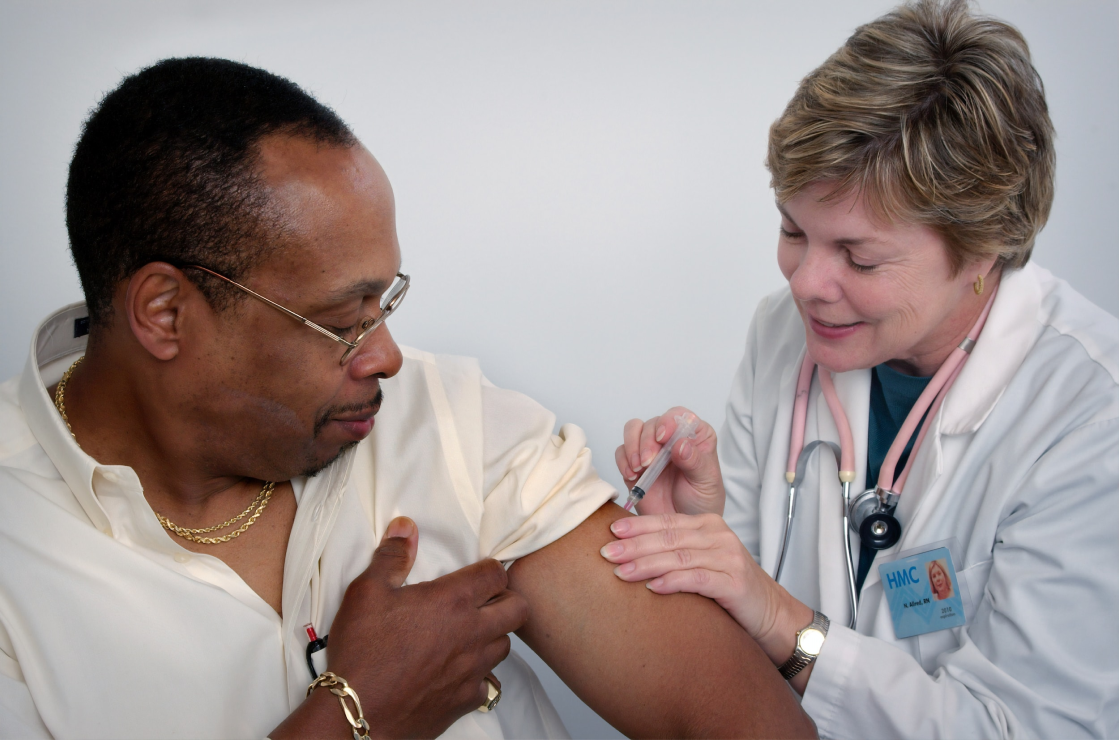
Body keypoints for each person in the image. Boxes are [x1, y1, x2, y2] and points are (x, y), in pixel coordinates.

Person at [0, 58, 816, 739]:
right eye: (340, 322)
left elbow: (752, 729)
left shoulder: (447, 419)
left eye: (383, 306)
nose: (387, 357)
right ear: (166, 313)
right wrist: (359, 714)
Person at [602, 1, 1119, 737]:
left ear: (981, 248)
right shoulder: (785, 334)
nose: (805, 282)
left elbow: (1025, 728)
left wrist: (783, 620)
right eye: (791, 230)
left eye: (859, 256)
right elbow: (736, 614)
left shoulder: (1091, 416)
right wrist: (703, 533)